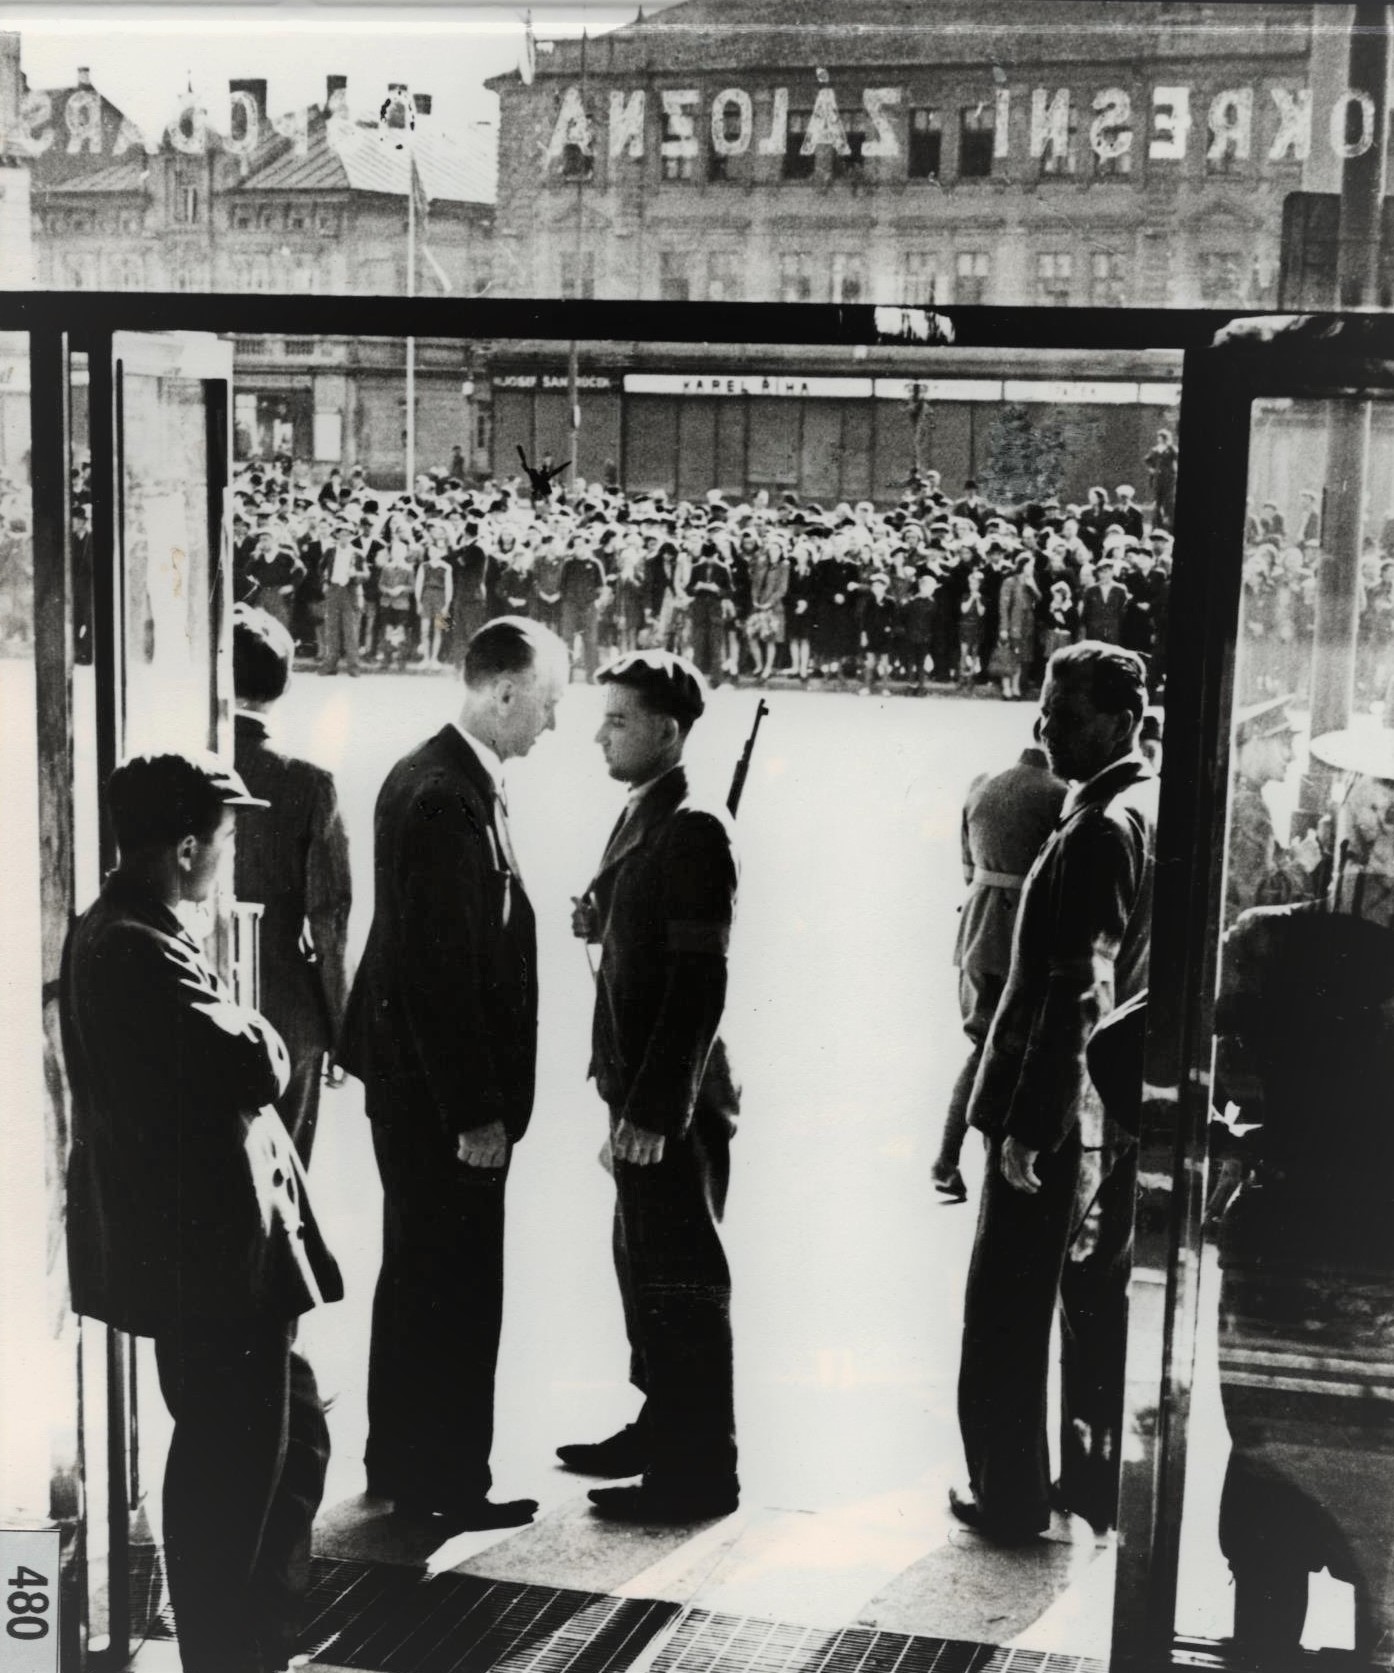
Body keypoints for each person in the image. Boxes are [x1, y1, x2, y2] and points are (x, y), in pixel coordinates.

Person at [61, 751, 342, 1673]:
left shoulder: (135, 929)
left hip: (222, 1258)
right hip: (210, 1262)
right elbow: (256, 1061)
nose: (229, 855)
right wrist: (262, 1028)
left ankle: (256, 1644)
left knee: (290, 1438)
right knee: (232, 1467)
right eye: (224, 837)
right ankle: (226, 1657)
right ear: (186, 847)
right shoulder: (132, 944)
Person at [339, 616, 569, 1536]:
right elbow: (440, 970)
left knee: (417, 1272)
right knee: (458, 1284)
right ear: (505, 691)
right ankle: (447, 1481)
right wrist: (476, 1110)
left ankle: (402, 1458)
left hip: (414, 1083)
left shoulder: (438, 774)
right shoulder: (446, 794)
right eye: (548, 702)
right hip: (442, 1096)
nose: (553, 722)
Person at [952, 642, 1157, 1543]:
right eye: (1043, 708)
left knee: (1006, 1306)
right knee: (1090, 1301)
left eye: (1067, 714)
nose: (1046, 728)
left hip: (1058, 1112)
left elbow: (1077, 991)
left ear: (1123, 722)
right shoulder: (1135, 807)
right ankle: (1090, 1481)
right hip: (1105, 1108)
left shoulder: (1099, 827)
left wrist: (1029, 1126)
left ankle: (1007, 1493)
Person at [1212, 726, 1394, 1664]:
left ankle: (1263, 1654)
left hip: (1278, 1244)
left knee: (1271, 1481)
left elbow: (1129, 1049)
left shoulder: (1268, 939)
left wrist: (1231, 1138)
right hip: (1380, 1260)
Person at [561, 649, 741, 1525]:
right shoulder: (649, 807)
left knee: (682, 1283)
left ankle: (699, 1470)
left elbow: (701, 980)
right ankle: (661, 1424)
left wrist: (655, 1110)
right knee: (644, 1269)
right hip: (638, 1087)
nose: (600, 734)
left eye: (618, 720)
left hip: (670, 1099)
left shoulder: (695, 825)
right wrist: (603, 915)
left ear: (667, 731)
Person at [233, 605, 353, 1166]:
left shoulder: (179, 768)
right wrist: (339, 1026)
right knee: (284, 1184)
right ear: (282, 684)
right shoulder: (308, 783)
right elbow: (330, 920)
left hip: (190, 999)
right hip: (285, 1008)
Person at [934, 736, 1067, 1204]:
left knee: (982, 1043)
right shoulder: (1060, 794)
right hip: (1020, 934)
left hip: (977, 928)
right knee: (1007, 1049)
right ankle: (960, 1160)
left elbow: (966, 866)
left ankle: (948, 1158)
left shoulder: (983, 785)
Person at [1226, 696, 1324, 927]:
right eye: (1285, 743)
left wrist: (1287, 857)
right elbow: (1257, 898)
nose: (1292, 755)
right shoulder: (1248, 805)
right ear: (1257, 741)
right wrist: (1302, 865)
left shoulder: (1234, 792)